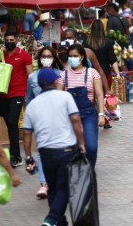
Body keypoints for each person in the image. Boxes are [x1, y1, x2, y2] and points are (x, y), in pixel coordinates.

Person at [23, 68, 86, 226]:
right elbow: (76, 120)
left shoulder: (32, 105)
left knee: (53, 188)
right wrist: (82, 143)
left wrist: (29, 157)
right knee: (64, 187)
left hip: (45, 152)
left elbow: (26, 134)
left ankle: (60, 222)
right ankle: (51, 219)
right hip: (66, 150)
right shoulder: (65, 97)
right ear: (54, 82)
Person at [55, 44, 105, 166]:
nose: (72, 58)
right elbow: (58, 97)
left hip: (89, 114)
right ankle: (78, 169)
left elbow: (99, 94)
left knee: (91, 146)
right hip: (70, 115)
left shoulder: (92, 73)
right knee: (73, 147)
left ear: (82, 57)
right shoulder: (63, 75)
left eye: (75, 56)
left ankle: (89, 168)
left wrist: (101, 114)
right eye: (70, 56)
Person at [27, 47, 64, 200]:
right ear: (39, 58)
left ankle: (56, 180)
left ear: (54, 58)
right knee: (42, 150)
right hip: (40, 118)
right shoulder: (32, 77)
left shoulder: (60, 76)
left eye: (49, 56)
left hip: (58, 118)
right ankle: (44, 184)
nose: (47, 59)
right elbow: (29, 99)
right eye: (44, 56)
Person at [0, 31, 33, 168]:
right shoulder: (0, 54)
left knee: (12, 121)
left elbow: (30, 75)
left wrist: (28, 93)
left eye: (11, 39)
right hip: (2, 93)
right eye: (7, 39)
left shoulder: (24, 55)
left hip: (18, 93)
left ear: (17, 40)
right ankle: (16, 155)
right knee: (11, 125)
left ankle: (15, 155)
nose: (9, 41)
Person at [84, 19, 120, 84]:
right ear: (102, 29)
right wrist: (117, 73)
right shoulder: (108, 42)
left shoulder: (86, 42)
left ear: (92, 29)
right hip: (105, 73)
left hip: (90, 74)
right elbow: (113, 59)